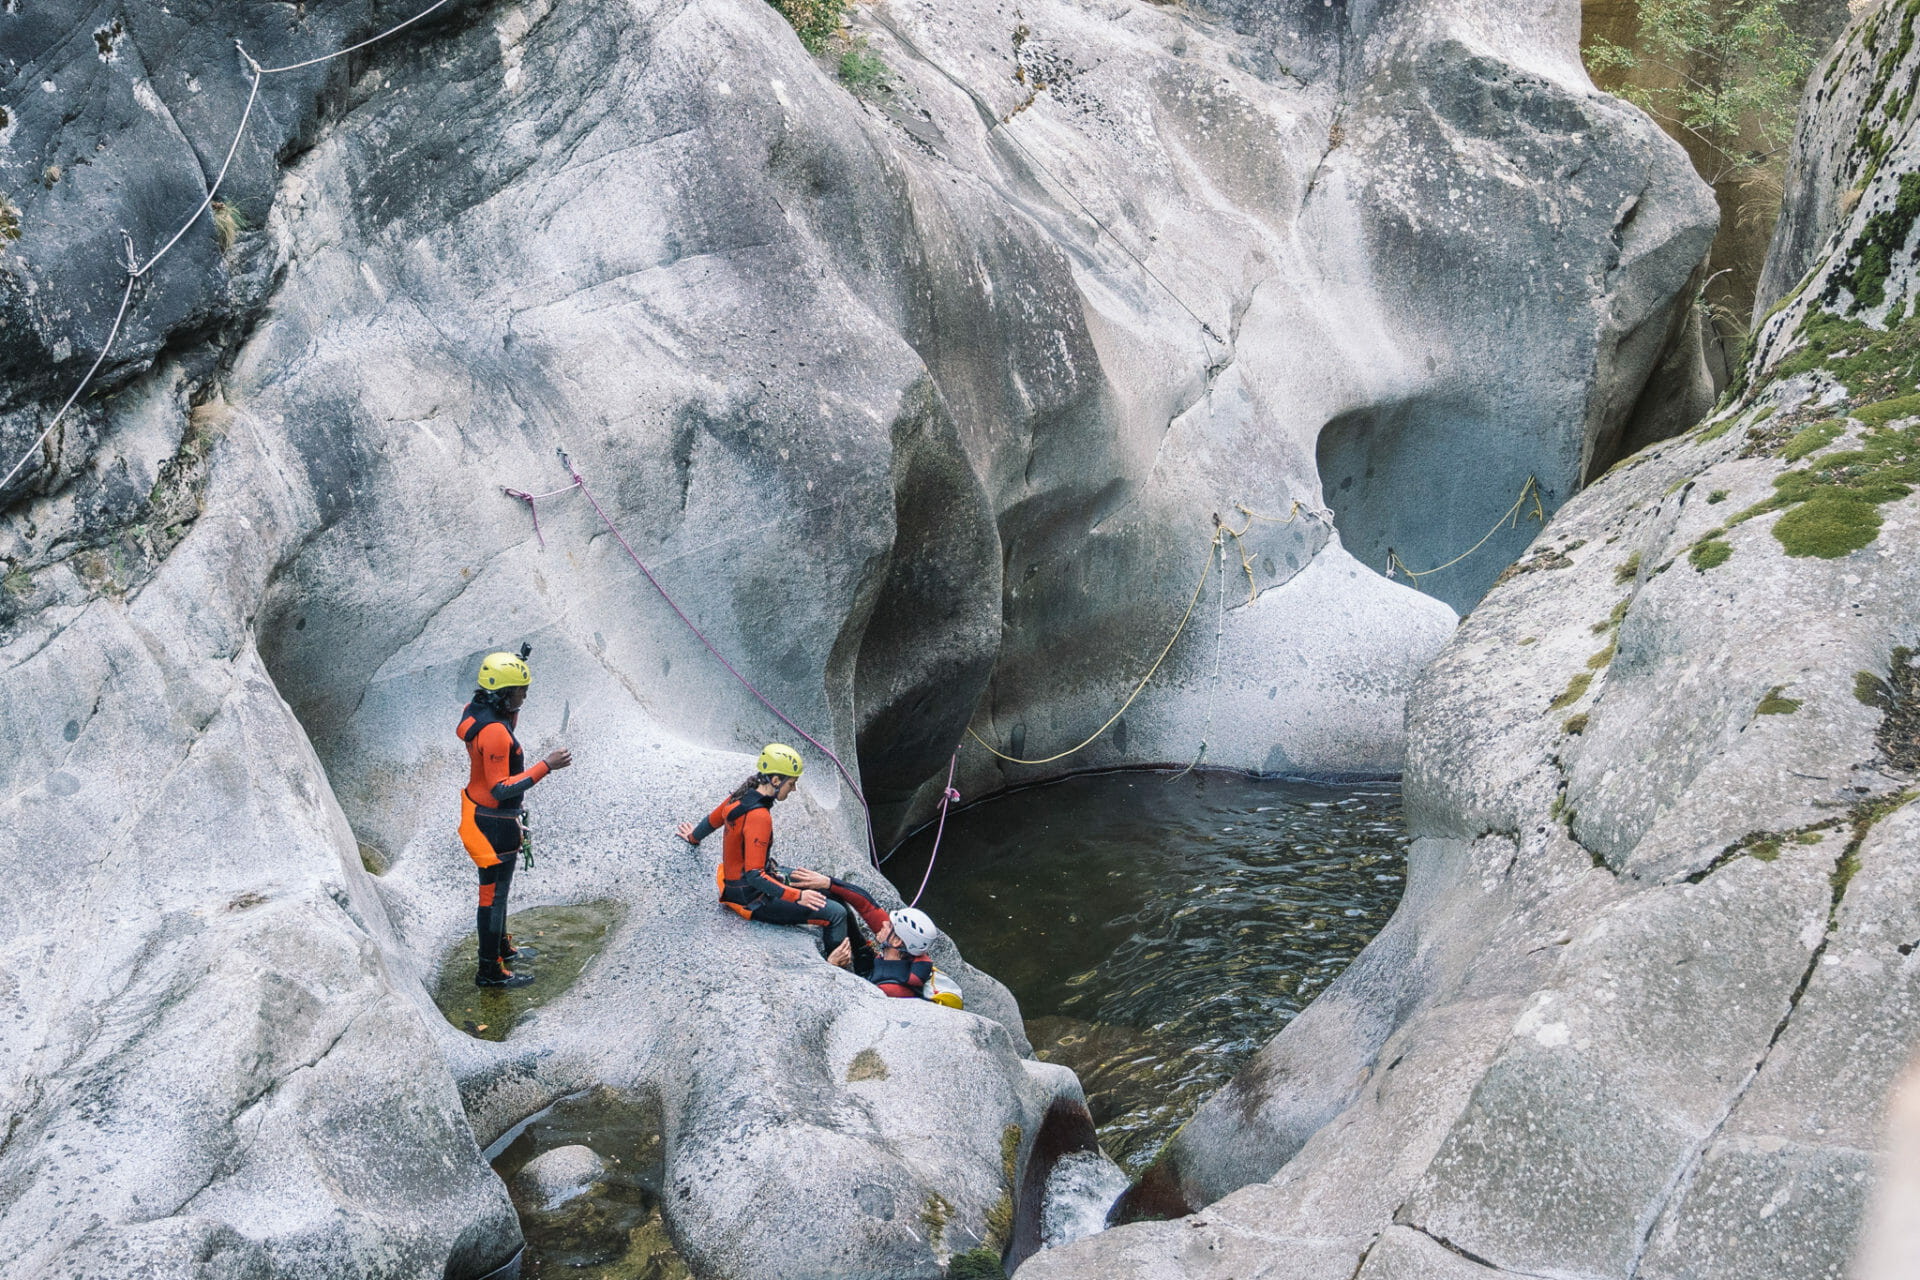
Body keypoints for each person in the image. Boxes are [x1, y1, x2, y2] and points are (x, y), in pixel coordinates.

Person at [458, 647, 571, 988]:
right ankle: (488, 971)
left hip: (486, 816)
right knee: (492, 897)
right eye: (521, 691)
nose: (525, 695)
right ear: (504, 694)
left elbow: (507, 719)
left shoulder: (477, 709)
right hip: (492, 822)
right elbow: (501, 788)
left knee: (499, 895)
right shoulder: (493, 732)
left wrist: (515, 676)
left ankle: (502, 948)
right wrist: (546, 766)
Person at [676, 745, 851, 956]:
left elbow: (713, 820)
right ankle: (839, 964)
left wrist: (694, 837)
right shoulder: (760, 816)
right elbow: (755, 875)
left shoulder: (742, 794)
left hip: (740, 885)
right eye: (792, 783)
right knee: (837, 913)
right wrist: (797, 896)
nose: (793, 789)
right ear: (776, 781)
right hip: (752, 899)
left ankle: (861, 950)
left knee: (823, 885)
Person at [815, 880, 940, 998]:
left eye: (890, 925)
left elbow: (845, 1001)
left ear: (897, 942)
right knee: (836, 903)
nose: (884, 924)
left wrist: (832, 966)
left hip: (869, 988)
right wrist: (829, 883)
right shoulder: (904, 953)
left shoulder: (891, 989)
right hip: (871, 969)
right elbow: (867, 907)